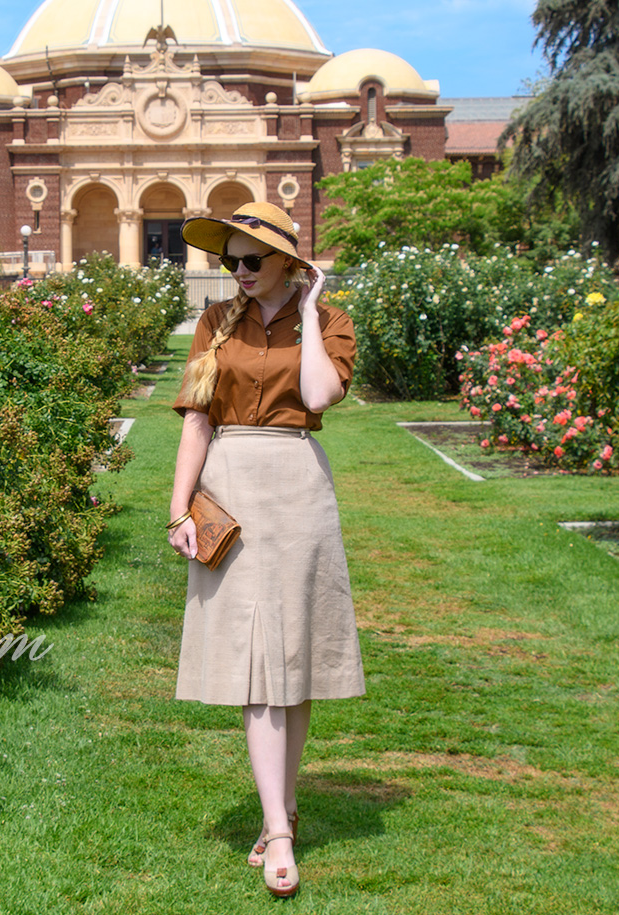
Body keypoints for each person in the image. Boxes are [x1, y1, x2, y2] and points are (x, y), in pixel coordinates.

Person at [167, 201, 366, 899]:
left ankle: (279, 807)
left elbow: (318, 393)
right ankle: (278, 828)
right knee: (254, 663)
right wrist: (177, 510)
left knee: (295, 656)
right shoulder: (214, 323)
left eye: (252, 259)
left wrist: (309, 310)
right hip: (231, 485)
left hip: (299, 486)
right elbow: (196, 422)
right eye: (230, 261)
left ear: (289, 259)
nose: (240, 272)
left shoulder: (331, 321)